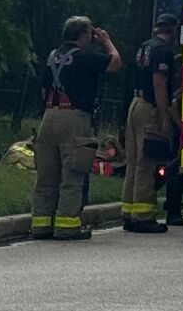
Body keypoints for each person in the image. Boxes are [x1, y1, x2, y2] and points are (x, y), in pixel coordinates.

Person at [31, 16, 121, 241]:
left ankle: (41, 225)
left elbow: (43, 90)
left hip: (48, 117)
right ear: (83, 35)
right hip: (74, 118)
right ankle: (66, 226)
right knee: (73, 174)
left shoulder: (53, 56)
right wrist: (106, 41)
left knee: (46, 176)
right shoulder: (85, 56)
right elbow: (115, 63)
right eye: (90, 33)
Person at [122, 13, 180, 233]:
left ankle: (129, 212)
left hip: (135, 104)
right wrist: (164, 116)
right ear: (173, 29)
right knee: (147, 162)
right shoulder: (164, 51)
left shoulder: (146, 46)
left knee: (134, 161)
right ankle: (143, 216)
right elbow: (159, 84)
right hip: (149, 107)